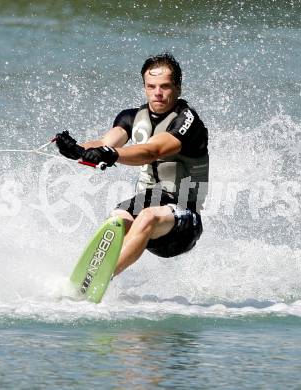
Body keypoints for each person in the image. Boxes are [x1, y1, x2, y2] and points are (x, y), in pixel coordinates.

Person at [55, 53, 209, 277]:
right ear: (144, 87)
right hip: (148, 203)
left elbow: (152, 150)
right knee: (116, 220)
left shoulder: (187, 121)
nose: (158, 93)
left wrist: (111, 154)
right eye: (151, 86)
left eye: (165, 86)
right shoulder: (131, 117)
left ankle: (99, 277)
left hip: (184, 220)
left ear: (178, 88)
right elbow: (105, 144)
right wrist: (77, 150)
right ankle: (83, 278)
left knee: (147, 217)